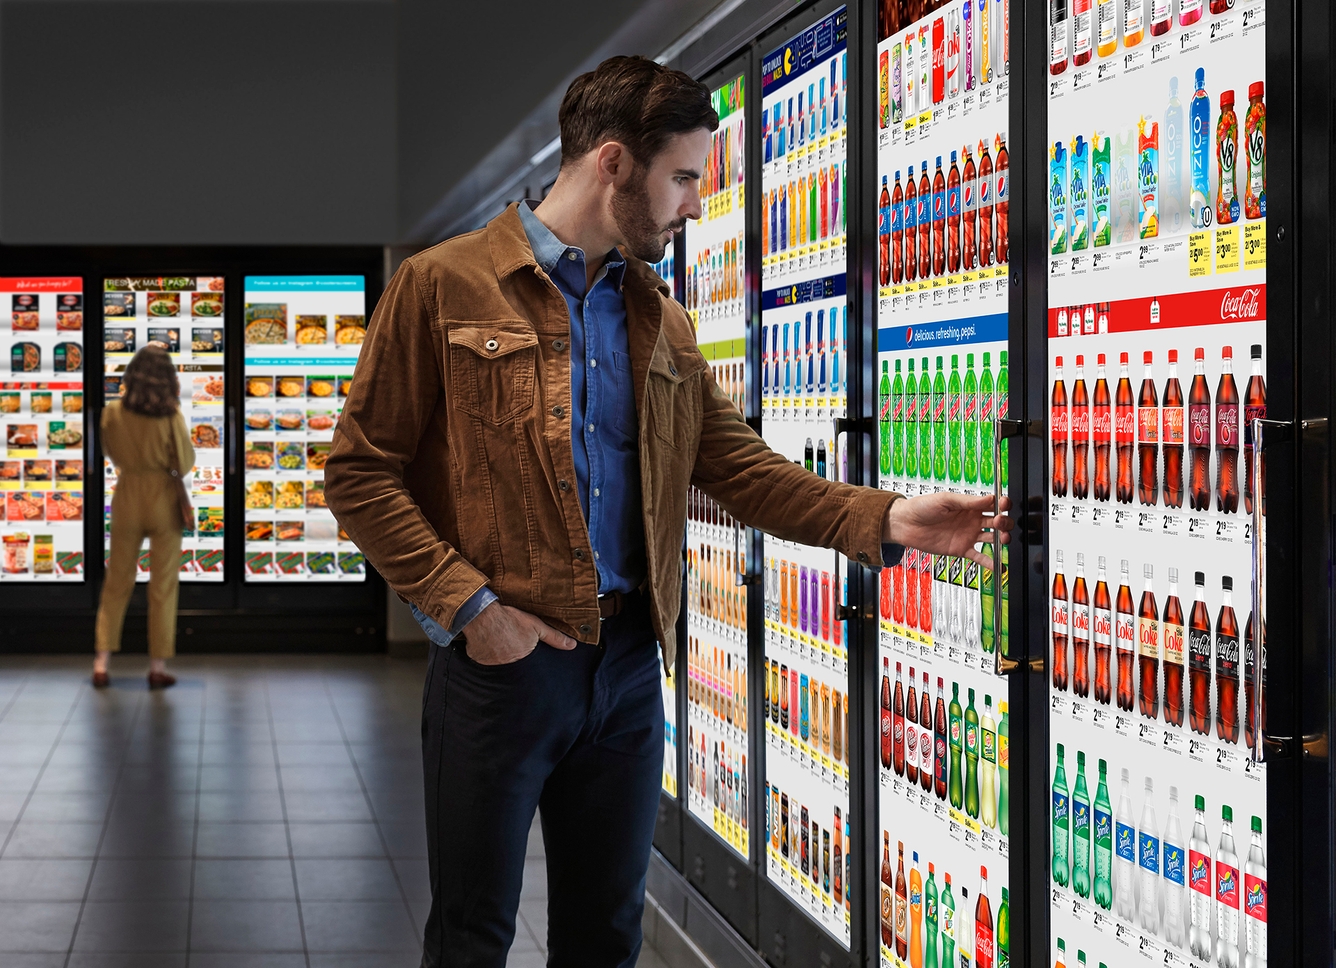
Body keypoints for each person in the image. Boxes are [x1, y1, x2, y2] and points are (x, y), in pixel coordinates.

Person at [325, 55, 1011, 968]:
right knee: (471, 936)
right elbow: (360, 472)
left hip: (628, 675)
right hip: (502, 673)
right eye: (683, 177)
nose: (694, 205)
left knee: (607, 937)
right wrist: (471, 611)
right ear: (612, 163)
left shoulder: (661, 318)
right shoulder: (444, 286)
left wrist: (892, 520)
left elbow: (742, 471)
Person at [93, 345, 194, 690]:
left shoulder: (112, 412)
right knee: (162, 586)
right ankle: (157, 666)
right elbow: (184, 462)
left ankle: (102, 662)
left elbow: (108, 450)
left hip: (127, 496)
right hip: (163, 499)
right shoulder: (171, 415)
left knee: (117, 581)